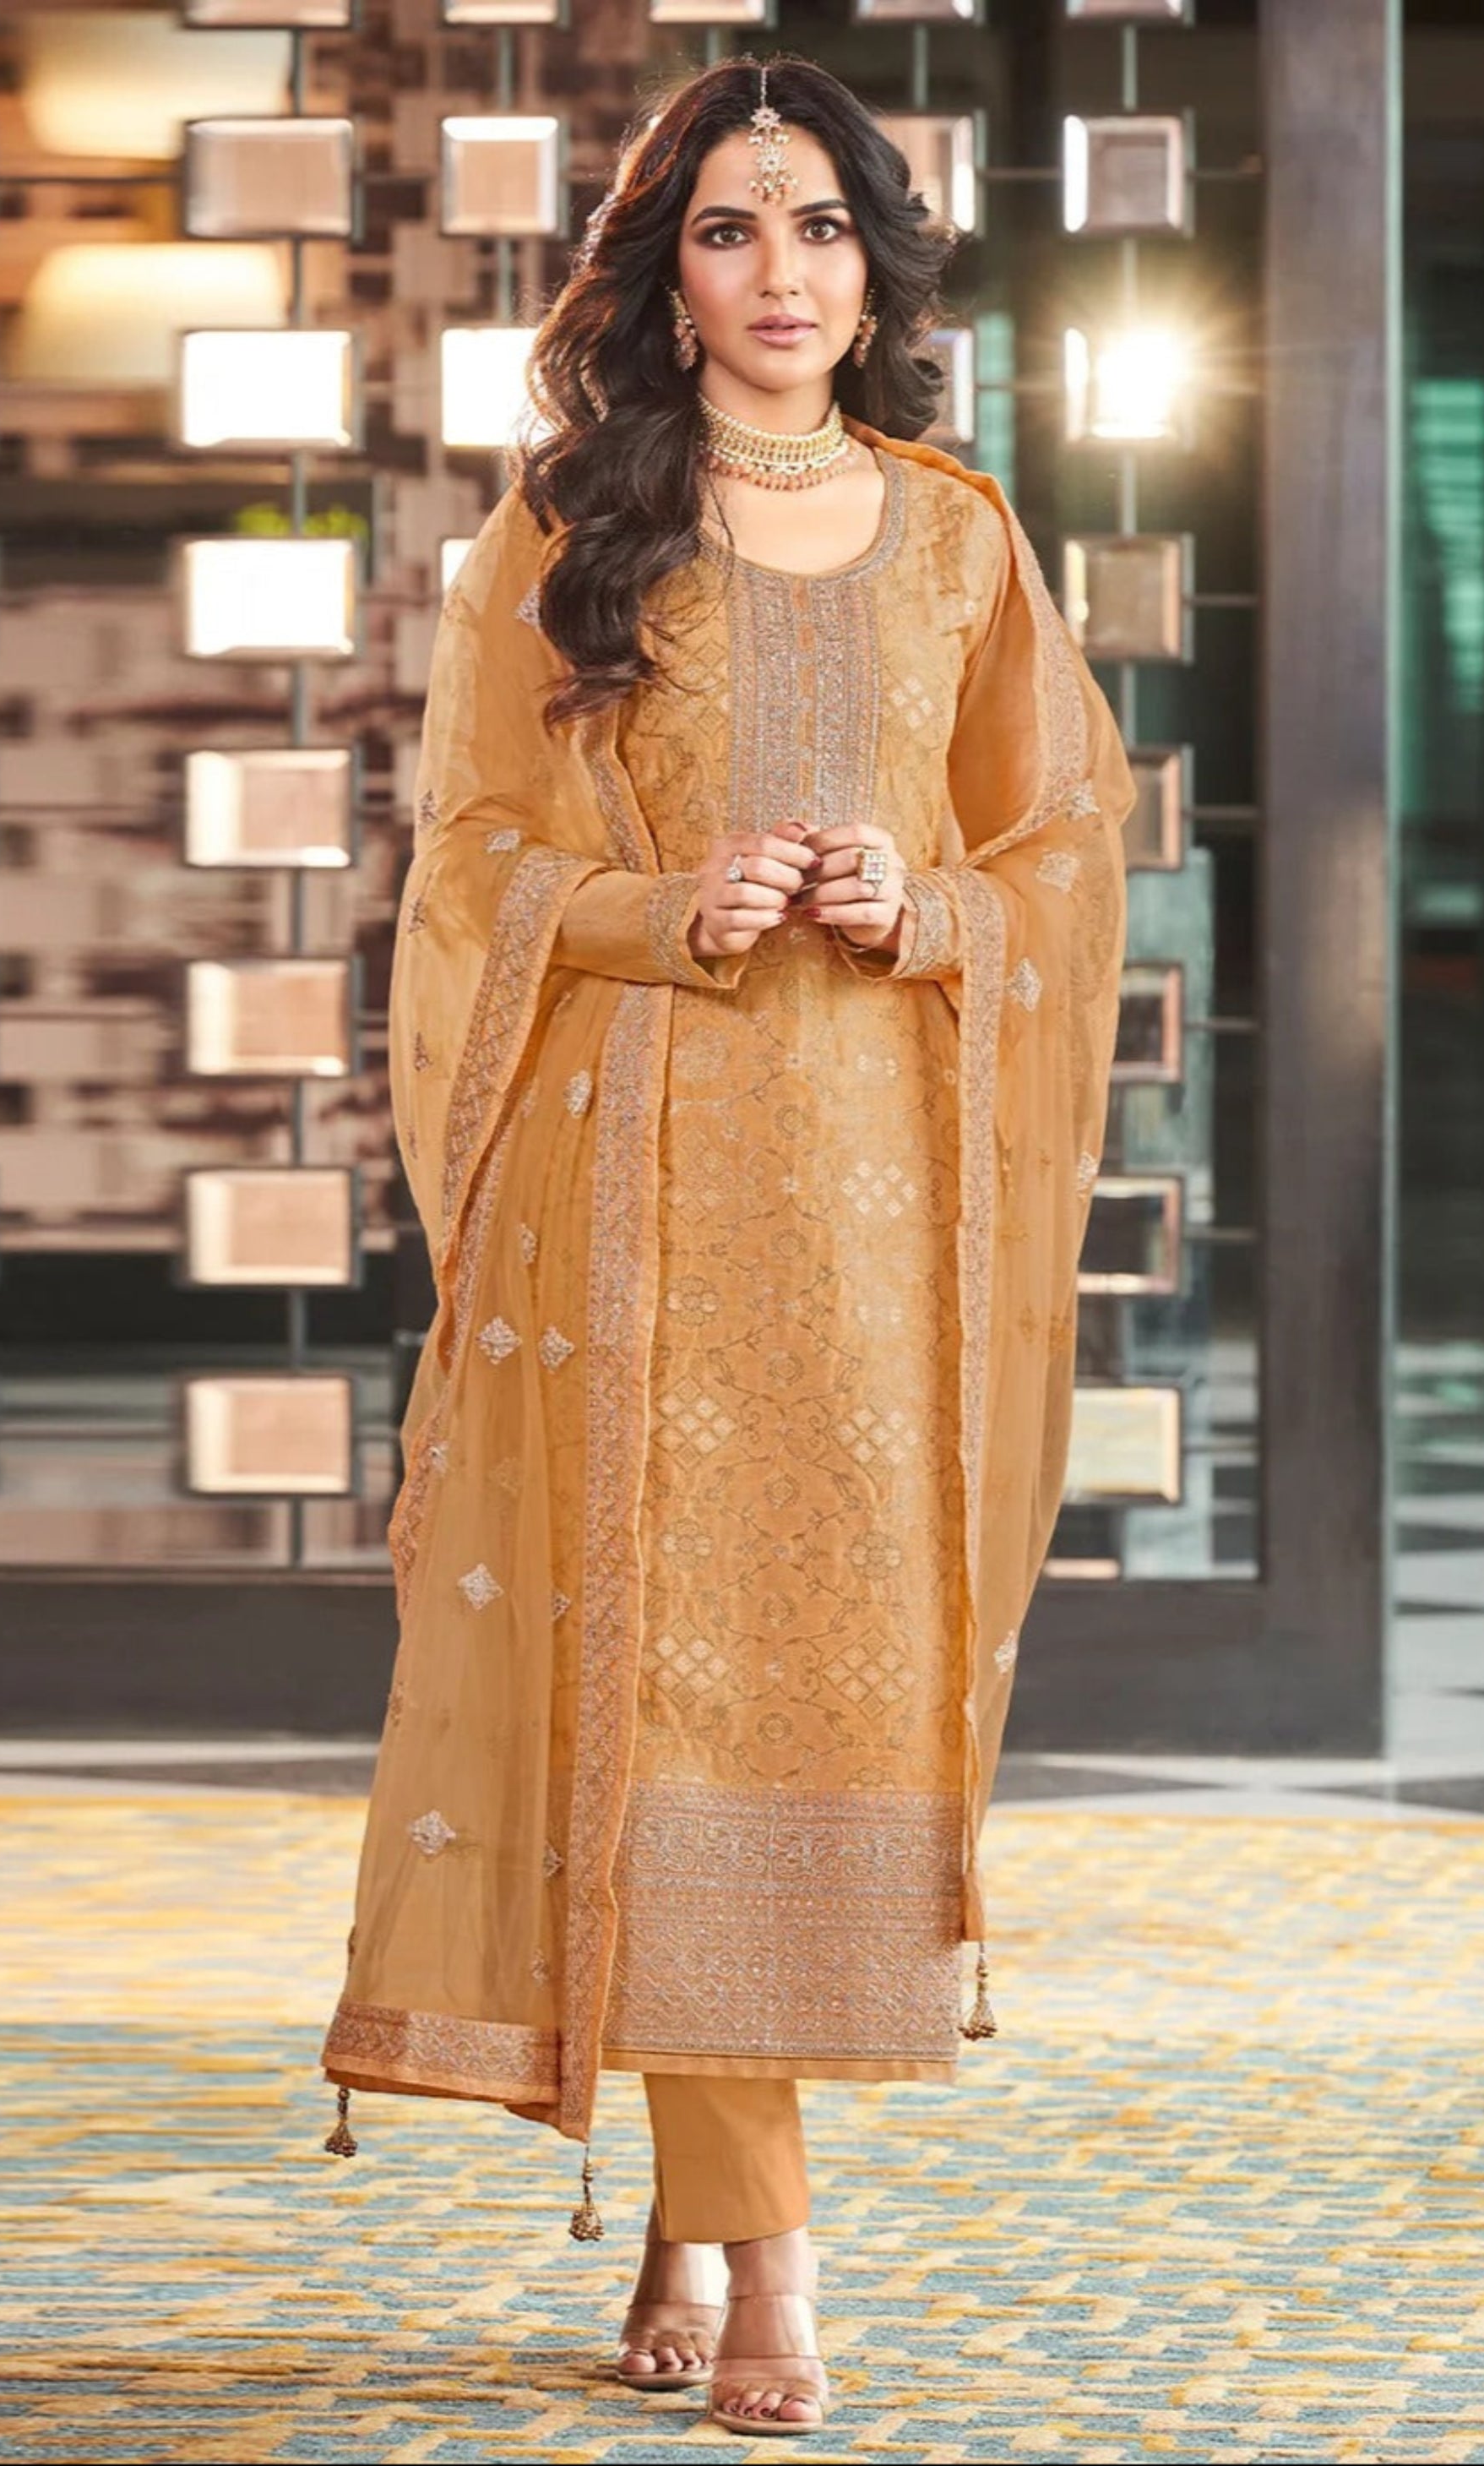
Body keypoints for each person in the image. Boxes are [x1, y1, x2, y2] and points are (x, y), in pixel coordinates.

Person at [320, 51, 1133, 2438]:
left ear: (872, 267)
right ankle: (771, 2256)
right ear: (658, 278)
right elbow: (469, 866)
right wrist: (661, 909)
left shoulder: (960, 539)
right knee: (654, 1677)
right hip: (644, 1191)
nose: (780, 275)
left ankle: (695, 2195)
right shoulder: (563, 533)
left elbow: (1066, 856)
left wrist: (937, 904)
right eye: (724, 229)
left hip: (883, 1202)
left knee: (813, 1692)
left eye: (818, 229)